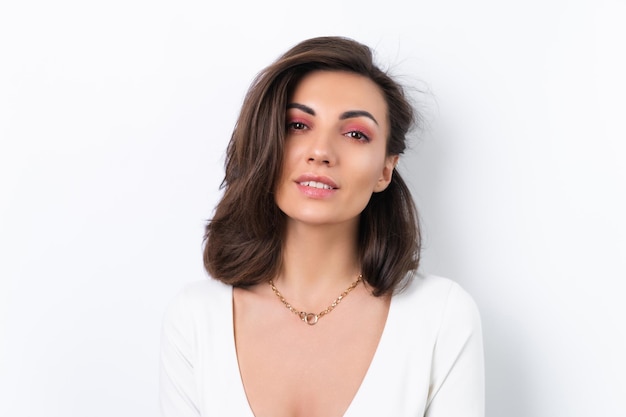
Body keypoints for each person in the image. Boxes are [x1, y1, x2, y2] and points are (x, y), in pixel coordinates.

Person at [159, 36, 484, 417]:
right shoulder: (197, 317)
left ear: (385, 169)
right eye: (298, 125)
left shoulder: (441, 316)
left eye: (356, 134)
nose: (321, 152)